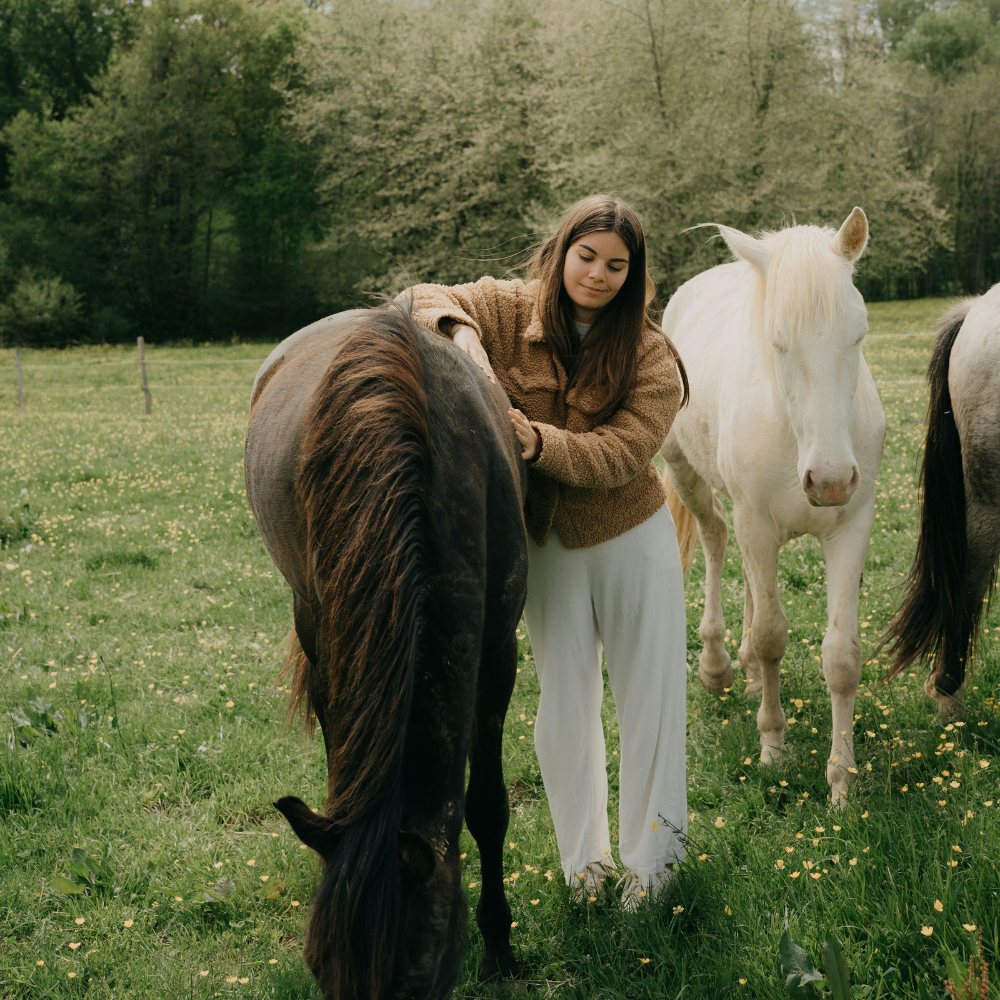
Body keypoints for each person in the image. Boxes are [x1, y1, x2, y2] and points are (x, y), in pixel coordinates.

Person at [405, 194, 689, 909]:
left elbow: (626, 452)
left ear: (635, 275)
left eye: (616, 266)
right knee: (563, 706)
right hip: (548, 548)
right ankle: (584, 868)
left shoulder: (652, 354)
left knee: (649, 702)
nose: (597, 274)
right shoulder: (509, 310)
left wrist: (536, 443)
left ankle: (654, 870)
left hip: (632, 538)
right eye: (586, 256)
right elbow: (419, 297)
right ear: (563, 251)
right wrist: (465, 341)